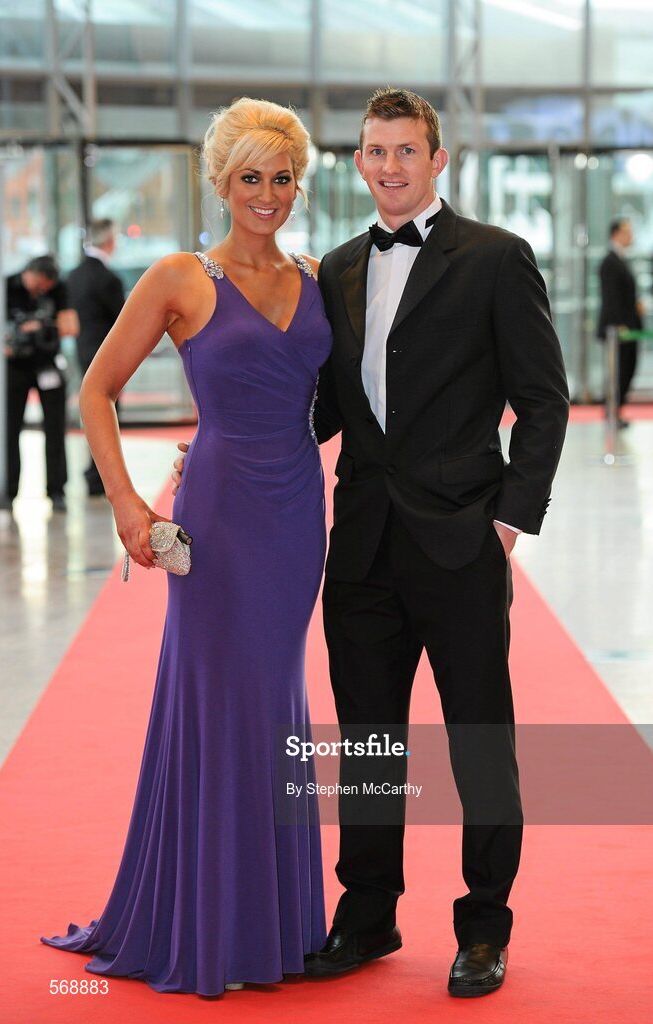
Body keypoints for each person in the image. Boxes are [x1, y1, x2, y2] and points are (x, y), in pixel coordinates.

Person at [174, 87, 570, 998]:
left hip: (463, 541)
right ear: (358, 164)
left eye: (406, 151)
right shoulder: (337, 269)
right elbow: (322, 406)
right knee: (370, 745)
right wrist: (233, 438)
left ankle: (483, 927)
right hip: (358, 548)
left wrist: (511, 518)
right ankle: (367, 913)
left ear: (438, 162)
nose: (389, 166)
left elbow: (545, 401)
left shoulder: (498, 259)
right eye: (374, 152)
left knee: (478, 742)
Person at [40, 97, 332, 996]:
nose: (268, 195)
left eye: (283, 178)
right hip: (214, 519)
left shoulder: (322, 276)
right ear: (220, 181)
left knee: (277, 705)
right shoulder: (179, 276)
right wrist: (128, 504)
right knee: (217, 706)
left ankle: (274, 926)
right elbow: (96, 391)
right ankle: (206, 921)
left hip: (295, 520)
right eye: (252, 177)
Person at [3, 255, 79, 512]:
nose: (43, 289)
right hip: (15, 367)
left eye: (47, 286)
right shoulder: (7, 286)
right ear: (29, 273)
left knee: (55, 428)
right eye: (40, 284)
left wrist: (42, 326)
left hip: (48, 364)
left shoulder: (59, 289)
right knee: (9, 430)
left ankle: (57, 490)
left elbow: (70, 327)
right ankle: (7, 491)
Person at [67, 218, 125, 494]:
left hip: (82, 348)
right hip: (107, 351)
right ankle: (99, 475)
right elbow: (123, 322)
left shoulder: (74, 275)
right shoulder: (109, 279)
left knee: (91, 408)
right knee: (110, 411)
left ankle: (93, 472)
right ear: (109, 242)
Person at [597, 217, 644, 426]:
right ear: (615, 234)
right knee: (618, 371)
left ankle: (616, 410)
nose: (630, 235)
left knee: (626, 369)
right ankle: (612, 411)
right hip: (619, 329)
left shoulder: (621, 259)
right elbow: (611, 298)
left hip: (628, 327)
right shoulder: (610, 261)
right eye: (627, 231)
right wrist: (619, 324)